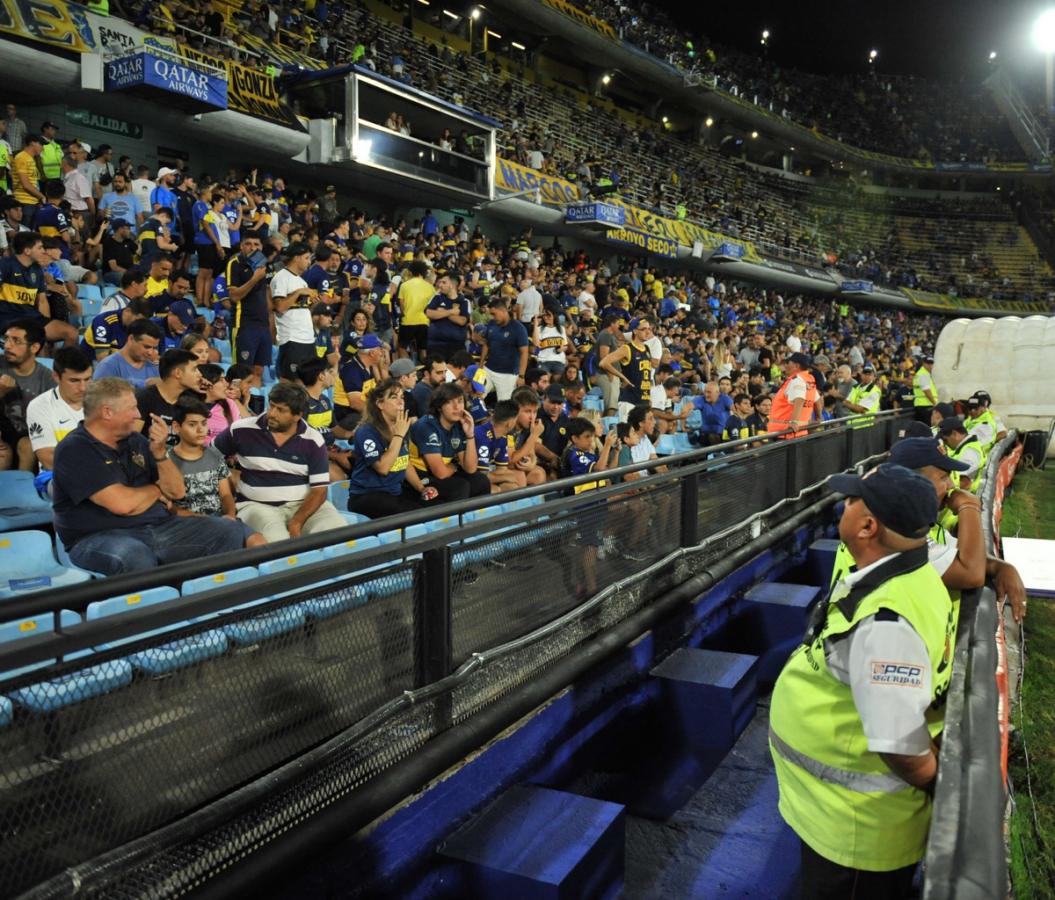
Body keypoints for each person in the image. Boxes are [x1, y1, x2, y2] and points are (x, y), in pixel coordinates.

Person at [770, 463, 951, 898]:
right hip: (843, 819)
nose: (843, 506)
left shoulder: (886, 623)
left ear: (868, 526)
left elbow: (898, 742)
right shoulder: (907, 575)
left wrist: (937, 784)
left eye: (852, 501)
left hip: (856, 835)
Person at [51, 377, 247, 574]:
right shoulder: (75, 449)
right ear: (107, 412)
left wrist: (160, 452)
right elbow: (123, 505)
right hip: (97, 537)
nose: (138, 415)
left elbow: (178, 492)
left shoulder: (136, 440)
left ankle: (209, 600)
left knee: (228, 530)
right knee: (135, 555)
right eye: (132, 408)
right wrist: (156, 489)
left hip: (159, 526)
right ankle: (160, 604)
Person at [213, 382, 347, 542]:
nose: (272, 413)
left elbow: (319, 491)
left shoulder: (313, 440)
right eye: (271, 406)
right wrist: (227, 480)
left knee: (338, 535)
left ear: (298, 415)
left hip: (303, 505)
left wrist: (297, 522)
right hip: (256, 505)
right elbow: (208, 456)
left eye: (281, 410)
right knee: (279, 543)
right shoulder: (241, 430)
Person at [167, 399, 265, 547]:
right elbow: (170, 507)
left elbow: (225, 494)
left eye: (204, 423)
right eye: (192, 424)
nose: (201, 430)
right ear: (176, 427)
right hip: (189, 524)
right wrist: (212, 522)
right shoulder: (166, 461)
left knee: (259, 543)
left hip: (221, 519)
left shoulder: (214, 455)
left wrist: (230, 516)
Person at [348, 377, 436, 517]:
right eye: (394, 397)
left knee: (434, 504)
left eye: (402, 397)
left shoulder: (400, 426)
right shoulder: (366, 431)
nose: (401, 402)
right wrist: (399, 436)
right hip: (366, 496)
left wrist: (421, 488)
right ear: (380, 404)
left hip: (394, 493)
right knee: (414, 514)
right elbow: (383, 468)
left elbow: (404, 462)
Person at [562, 416, 620, 597]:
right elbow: (599, 470)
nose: (591, 440)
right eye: (587, 437)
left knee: (590, 546)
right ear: (574, 438)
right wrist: (608, 445)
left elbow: (608, 470)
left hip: (597, 503)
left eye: (592, 437)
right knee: (589, 547)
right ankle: (592, 588)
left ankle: (583, 583)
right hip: (586, 507)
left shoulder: (588, 454)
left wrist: (615, 452)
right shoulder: (575, 455)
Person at [407, 382, 491, 501]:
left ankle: (478, 518)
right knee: (460, 487)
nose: (457, 407)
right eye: (449, 402)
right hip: (420, 479)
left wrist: (470, 435)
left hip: (444, 473)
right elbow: (440, 473)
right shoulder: (426, 426)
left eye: (460, 401)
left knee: (480, 481)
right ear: (439, 406)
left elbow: (470, 468)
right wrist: (455, 466)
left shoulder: (459, 425)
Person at [0, 231, 78, 347]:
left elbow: (42, 301)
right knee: (40, 348)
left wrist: (44, 325)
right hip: (8, 319)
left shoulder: (37, 270)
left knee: (72, 333)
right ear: (27, 251)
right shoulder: (5, 265)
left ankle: (62, 364)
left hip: (32, 318)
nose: (43, 251)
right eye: (40, 247)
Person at [26, 345, 92, 470]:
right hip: (57, 476)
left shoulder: (102, 401)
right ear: (56, 377)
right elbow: (48, 459)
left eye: (87, 379)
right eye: (74, 380)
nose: (83, 387)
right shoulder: (39, 406)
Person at [0, 318, 54, 470]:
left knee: (27, 445)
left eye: (16, 341)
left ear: (35, 347)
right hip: (3, 433)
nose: (7, 345)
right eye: (6, 339)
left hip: (32, 435)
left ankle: (26, 489)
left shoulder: (47, 379)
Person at [223, 232, 272, 381]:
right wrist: (255, 278)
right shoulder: (235, 263)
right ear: (241, 246)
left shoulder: (263, 265)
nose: (252, 247)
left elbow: (267, 294)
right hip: (243, 324)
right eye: (248, 244)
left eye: (256, 244)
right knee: (242, 373)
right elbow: (234, 296)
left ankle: (253, 403)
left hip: (262, 325)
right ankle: (237, 403)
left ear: (262, 247)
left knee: (258, 371)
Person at [272, 242, 319, 379]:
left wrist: (313, 304)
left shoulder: (302, 281)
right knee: (289, 383)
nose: (309, 262)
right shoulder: (281, 277)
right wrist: (298, 293)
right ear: (296, 258)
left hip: (308, 338)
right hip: (291, 338)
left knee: (307, 382)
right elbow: (279, 307)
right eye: (306, 258)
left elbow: (301, 309)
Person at [136, 348, 203, 440]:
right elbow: (132, 440)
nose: (200, 374)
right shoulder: (144, 398)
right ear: (178, 373)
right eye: (194, 369)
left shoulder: (191, 401)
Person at [600, 315, 655, 422]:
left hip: (643, 401)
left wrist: (649, 397)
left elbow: (646, 375)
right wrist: (622, 377)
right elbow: (604, 362)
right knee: (626, 435)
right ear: (635, 331)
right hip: (629, 401)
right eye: (644, 329)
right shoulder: (627, 348)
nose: (648, 332)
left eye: (649, 329)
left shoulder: (647, 349)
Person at [479, 297, 529, 401]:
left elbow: (524, 353)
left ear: (503, 311)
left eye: (494, 314)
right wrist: (481, 364)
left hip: (507, 375)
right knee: (475, 395)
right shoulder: (492, 324)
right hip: (488, 369)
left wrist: (521, 376)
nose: (492, 317)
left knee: (504, 406)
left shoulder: (518, 328)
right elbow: (486, 344)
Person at [475, 400, 524, 492]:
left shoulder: (502, 437)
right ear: (510, 423)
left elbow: (502, 469)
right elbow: (480, 476)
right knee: (495, 490)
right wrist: (504, 478)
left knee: (514, 483)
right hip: (467, 476)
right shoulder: (481, 435)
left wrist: (506, 477)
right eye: (515, 420)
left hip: (486, 474)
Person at [83, 296, 154, 359]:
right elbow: (102, 358)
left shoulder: (137, 325)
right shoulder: (104, 322)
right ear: (128, 311)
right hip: (90, 362)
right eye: (137, 320)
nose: (139, 325)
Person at [767, 352, 818, 439]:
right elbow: (818, 400)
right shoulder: (808, 380)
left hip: (785, 433)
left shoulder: (797, 380)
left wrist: (794, 421)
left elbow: (800, 399)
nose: (786, 365)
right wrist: (819, 417)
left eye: (788, 363)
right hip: (798, 432)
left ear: (796, 366)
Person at [425, 270, 470, 358]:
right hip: (435, 345)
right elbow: (429, 313)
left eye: (444, 282)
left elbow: (462, 321)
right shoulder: (436, 297)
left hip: (457, 346)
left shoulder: (464, 301)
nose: (440, 285)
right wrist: (451, 312)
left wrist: (441, 312)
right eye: (440, 282)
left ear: (452, 285)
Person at [395, 259, 434, 359]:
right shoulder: (430, 287)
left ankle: (408, 371)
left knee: (402, 348)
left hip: (408, 321)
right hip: (424, 322)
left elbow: (402, 306)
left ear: (411, 271)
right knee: (423, 349)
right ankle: (425, 370)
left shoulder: (404, 285)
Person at [937, 417, 986, 493]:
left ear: (954, 434)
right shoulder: (965, 448)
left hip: (968, 498)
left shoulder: (970, 452)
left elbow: (964, 483)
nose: (945, 443)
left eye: (945, 440)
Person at [533, 306, 570, 377]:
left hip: (559, 361)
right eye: (544, 315)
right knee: (545, 380)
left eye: (548, 315)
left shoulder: (561, 329)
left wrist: (561, 349)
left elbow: (565, 346)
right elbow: (536, 344)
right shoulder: (539, 329)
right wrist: (535, 324)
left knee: (558, 382)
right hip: (544, 361)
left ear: (554, 316)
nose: (545, 317)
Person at [410, 353, 447, 418]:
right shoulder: (421, 392)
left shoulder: (437, 387)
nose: (444, 376)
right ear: (427, 374)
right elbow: (429, 420)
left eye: (445, 372)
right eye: (439, 373)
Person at [912, 355, 938, 425]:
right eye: (928, 363)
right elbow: (927, 391)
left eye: (931, 363)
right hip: (926, 405)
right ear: (923, 364)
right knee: (928, 428)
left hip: (923, 405)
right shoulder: (923, 374)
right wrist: (935, 403)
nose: (930, 365)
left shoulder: (924, 373)